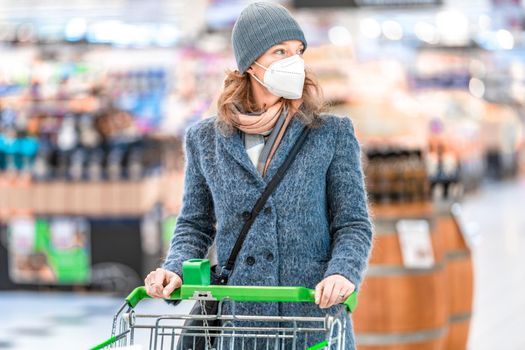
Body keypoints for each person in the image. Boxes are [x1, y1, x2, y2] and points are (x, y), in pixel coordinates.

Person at [145, 2, 373, 349]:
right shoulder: (206, 140)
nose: (293, 61)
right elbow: (195, 223)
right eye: (280, 51)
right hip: (242, 324)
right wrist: (174, 268)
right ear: (251, 63)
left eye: (298, 51)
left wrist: (342, 271)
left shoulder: (330, 133)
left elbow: (353, 223)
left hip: (311, 318)